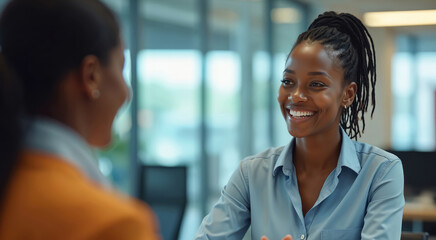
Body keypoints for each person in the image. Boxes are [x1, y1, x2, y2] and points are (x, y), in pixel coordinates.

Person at [195, 11, 404, 240]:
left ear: (348, 94)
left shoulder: (380, 173)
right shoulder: (251, 175)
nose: (296, 95)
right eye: (288, 81)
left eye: (316, 84)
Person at [0, 0, 160, 239]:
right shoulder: (113, 224)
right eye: (121, 67)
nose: (126, 92)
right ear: (91, 76)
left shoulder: (13, 187)